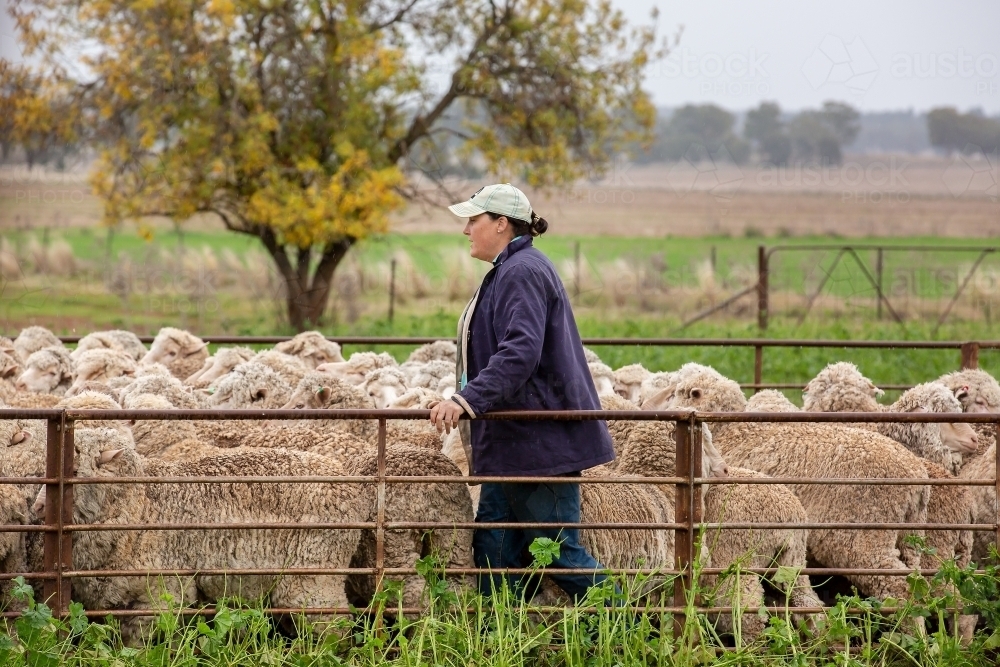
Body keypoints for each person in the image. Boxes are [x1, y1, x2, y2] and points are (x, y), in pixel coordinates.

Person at [429, 183, 616, 601]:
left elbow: (520, 351)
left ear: (500, 224)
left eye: (473, 221)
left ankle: (634, 625)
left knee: (558, 553)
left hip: (539, 445)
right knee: (494, 547)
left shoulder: (522, 271)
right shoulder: (509, 270)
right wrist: (465, 392)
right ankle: (502, 639)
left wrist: (467, 400)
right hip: (514, 442)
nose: (466, 231)